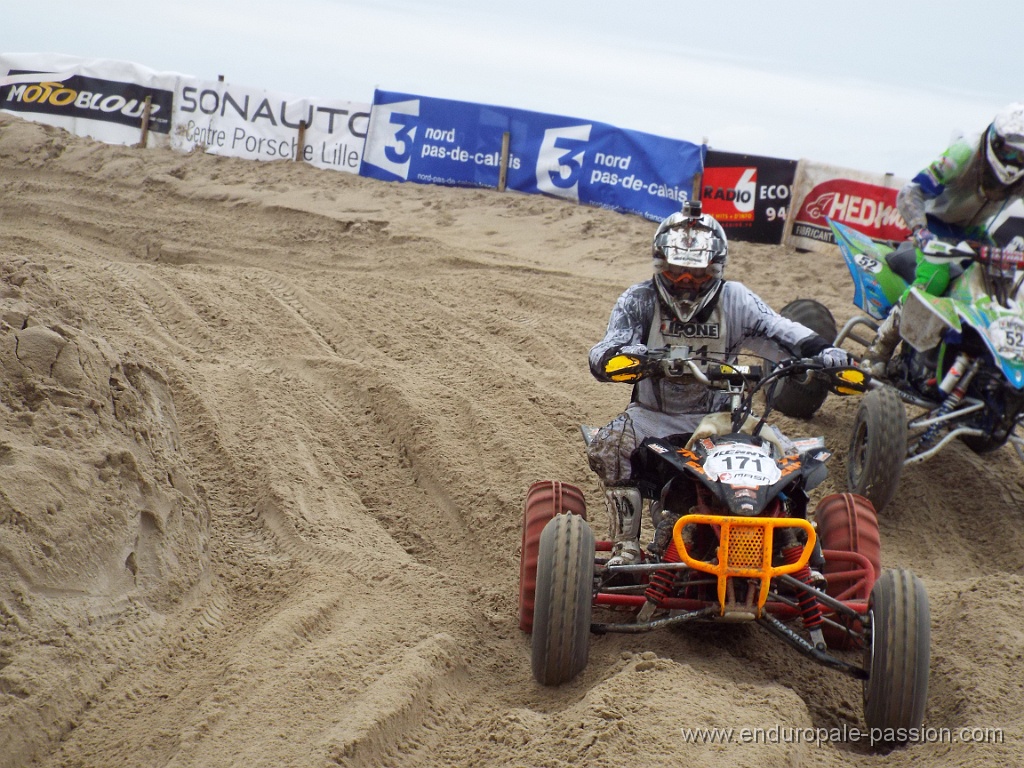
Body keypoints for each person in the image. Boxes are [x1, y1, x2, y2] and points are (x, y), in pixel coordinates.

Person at [586, 201, 851, 566]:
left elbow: (782, 330)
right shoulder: (639, 299)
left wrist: (824, 352)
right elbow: (605, 349)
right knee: (610, 444)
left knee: (793, 465)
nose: (685, 283)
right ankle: (626, 546)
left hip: (726, 421)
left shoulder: (736, 299)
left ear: (715, 269)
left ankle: (797, 552)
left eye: (696, 274)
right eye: (677, 270)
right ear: (661, 264)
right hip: (652, 416)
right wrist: (625, 357)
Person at [862, 102, 1024, 376]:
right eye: (1008, 150)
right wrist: (920, 231)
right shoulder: (965, 152)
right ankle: (880, 348)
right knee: (935, 278)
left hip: (974, 233)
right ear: (995, 141)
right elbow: (910, 191)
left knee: (1005, 286)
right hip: (935, 223)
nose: (1013, 160)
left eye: (1020, 155)